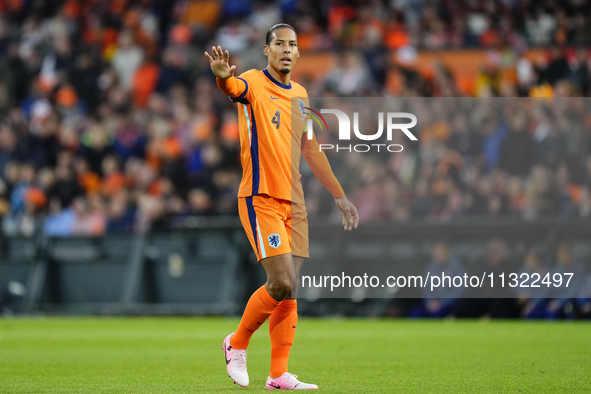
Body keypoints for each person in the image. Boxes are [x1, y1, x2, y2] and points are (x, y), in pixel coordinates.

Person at [205, 23, 359, 390]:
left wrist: (339, 194)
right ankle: (236, 343)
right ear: (267, 50)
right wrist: (223, 79)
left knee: (291, 290)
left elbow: (310, 148)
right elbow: (233, 88)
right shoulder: (253, 82)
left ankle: (277, 375)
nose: (287, 50)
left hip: (296, 201)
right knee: (280, 282)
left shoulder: (301, 95)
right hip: (261, 197)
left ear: (299, 53)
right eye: (280, 44)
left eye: (293, 45)